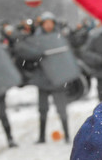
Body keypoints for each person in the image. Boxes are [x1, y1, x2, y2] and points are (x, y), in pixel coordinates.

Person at [13, 12, 73, 144]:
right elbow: (23, 50)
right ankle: (41, 136)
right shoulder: (35, 39)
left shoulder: (60, 37)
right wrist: (37, 54)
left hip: (57, 78)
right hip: (43, 78)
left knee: (62, 109)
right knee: (42, 109)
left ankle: (67, 135)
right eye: (46, 23)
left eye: (50, 23)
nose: (48, 25)